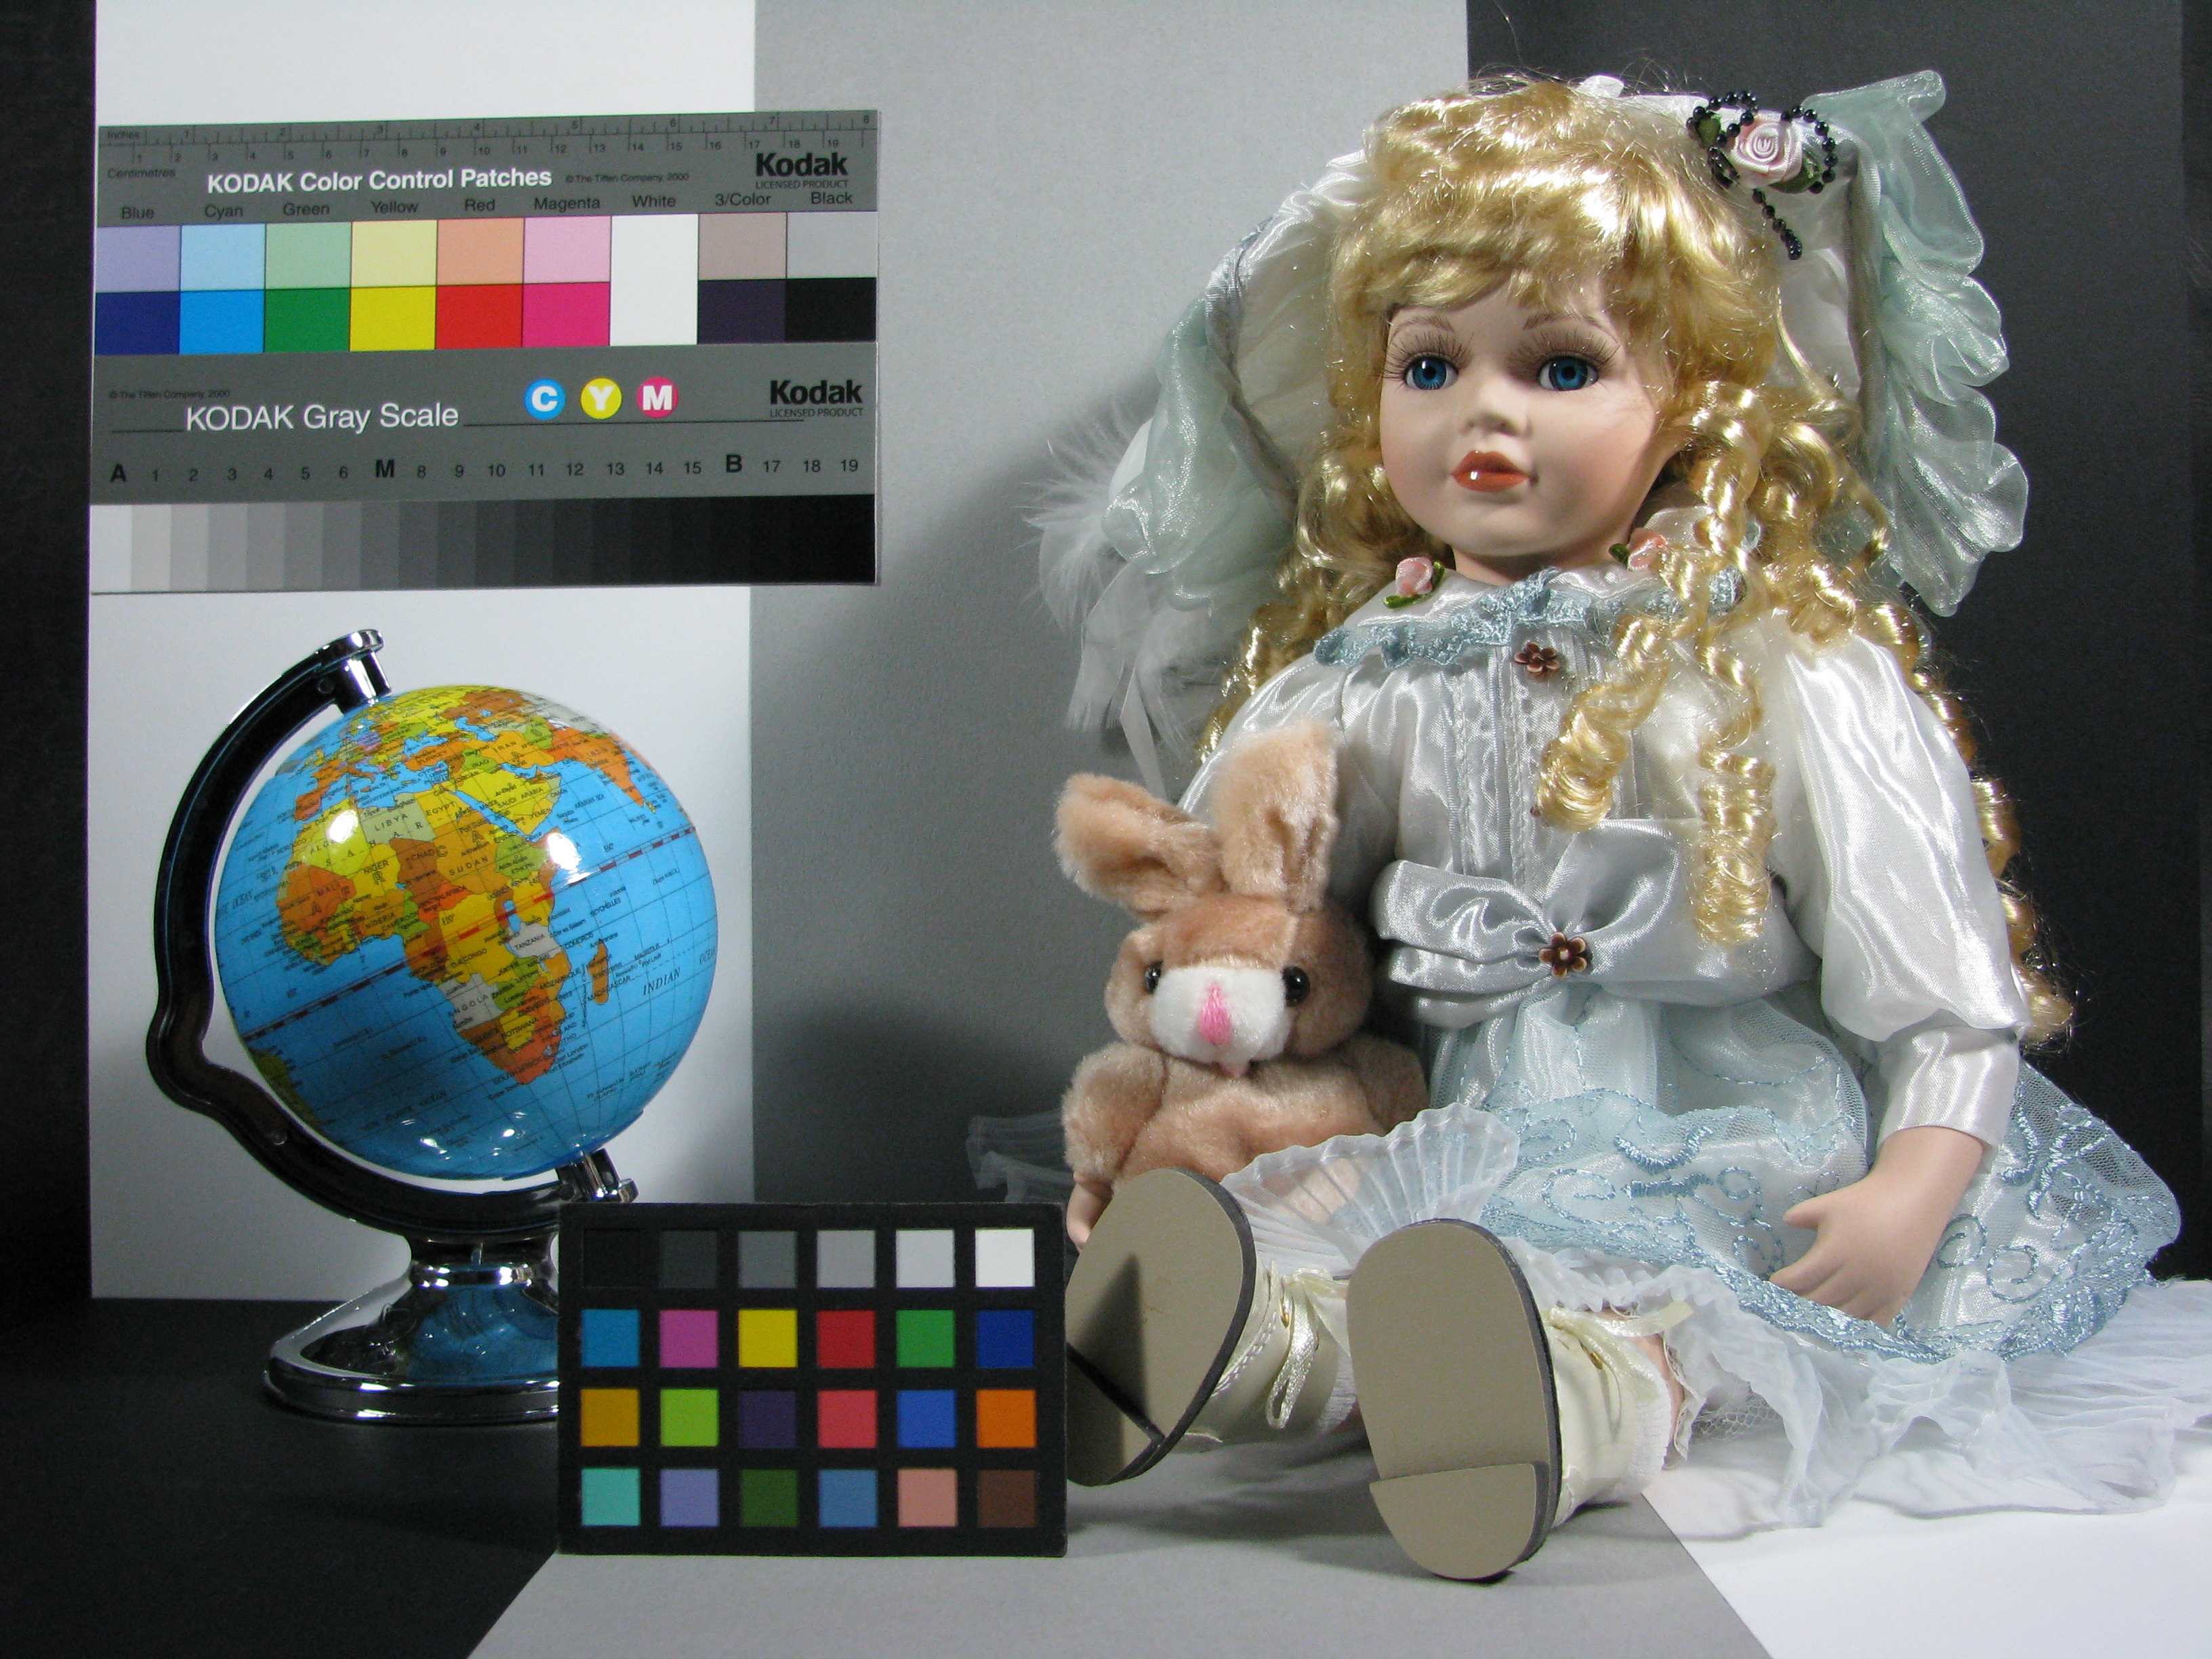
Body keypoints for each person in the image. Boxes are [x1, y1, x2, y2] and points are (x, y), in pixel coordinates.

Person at [1044, 73, 2212, 1581]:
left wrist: (1919, 1174)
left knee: (1670, 1293)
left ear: (1689, 399)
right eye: (1428, 365)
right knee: (1359, 1229)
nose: (1485, 411)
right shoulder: (1362, 672)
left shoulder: (1771, 659)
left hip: (1715, 1114)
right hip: (1447, 1107)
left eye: (1562, 365)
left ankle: (1582, 1405)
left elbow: (1925, 945)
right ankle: (1262, 1356)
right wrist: (1165, 1117)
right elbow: (1243, 917)